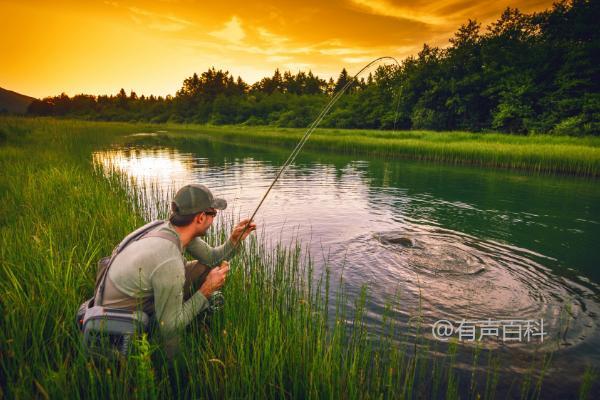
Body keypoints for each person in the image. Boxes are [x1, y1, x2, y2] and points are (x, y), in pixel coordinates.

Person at [100, 183, 256, 356]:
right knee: (172, 331)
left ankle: (187, 313)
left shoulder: (169, 228)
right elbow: (169, 327)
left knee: (205, 267)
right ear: (200, 218)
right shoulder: (169, 260)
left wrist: (234, 240)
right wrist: (206, 290)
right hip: (122, 320)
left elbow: (212, 259)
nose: (214, 218)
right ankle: (173, 366)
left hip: (134, 296)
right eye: (213, 214)